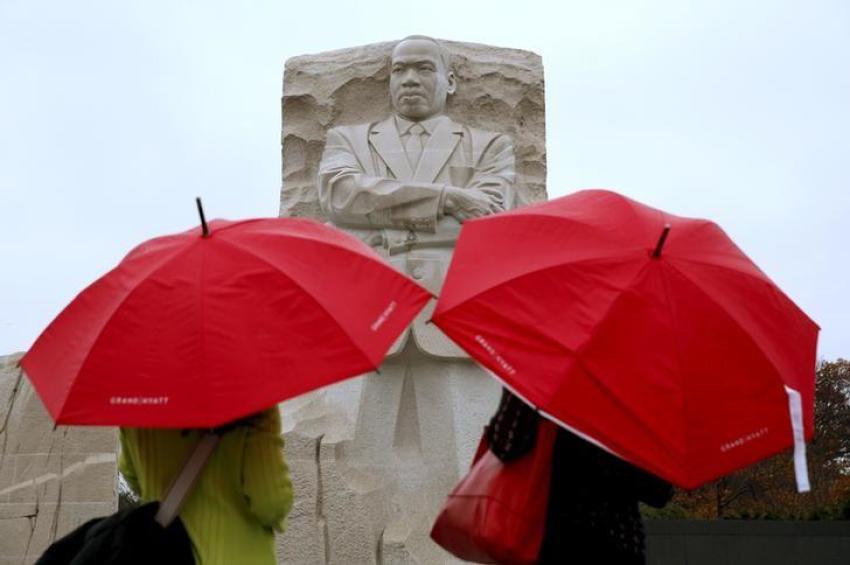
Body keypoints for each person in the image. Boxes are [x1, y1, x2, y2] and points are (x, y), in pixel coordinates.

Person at [317, 35, 516, 559]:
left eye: (423, 69)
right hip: (367, 318)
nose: (408, 79)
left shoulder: (488, 146)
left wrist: (379, 223)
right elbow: (339, 197)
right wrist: (447, 200)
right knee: (346, 477)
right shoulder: (349, 138)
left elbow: (493, 216)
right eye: (399, 70)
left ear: (450, 82)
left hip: (451, 320)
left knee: (465, 473)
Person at [487, 389, 674, 565]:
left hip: (556, 537)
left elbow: (505, 446)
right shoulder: (640, 388)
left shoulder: (545, 374)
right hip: (610, 540)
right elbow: (659, 491)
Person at [118, 407, 293, 565]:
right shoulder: (255, 405)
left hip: (163, 553)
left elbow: (131, 475)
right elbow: (270, 503)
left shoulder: (138, 403)